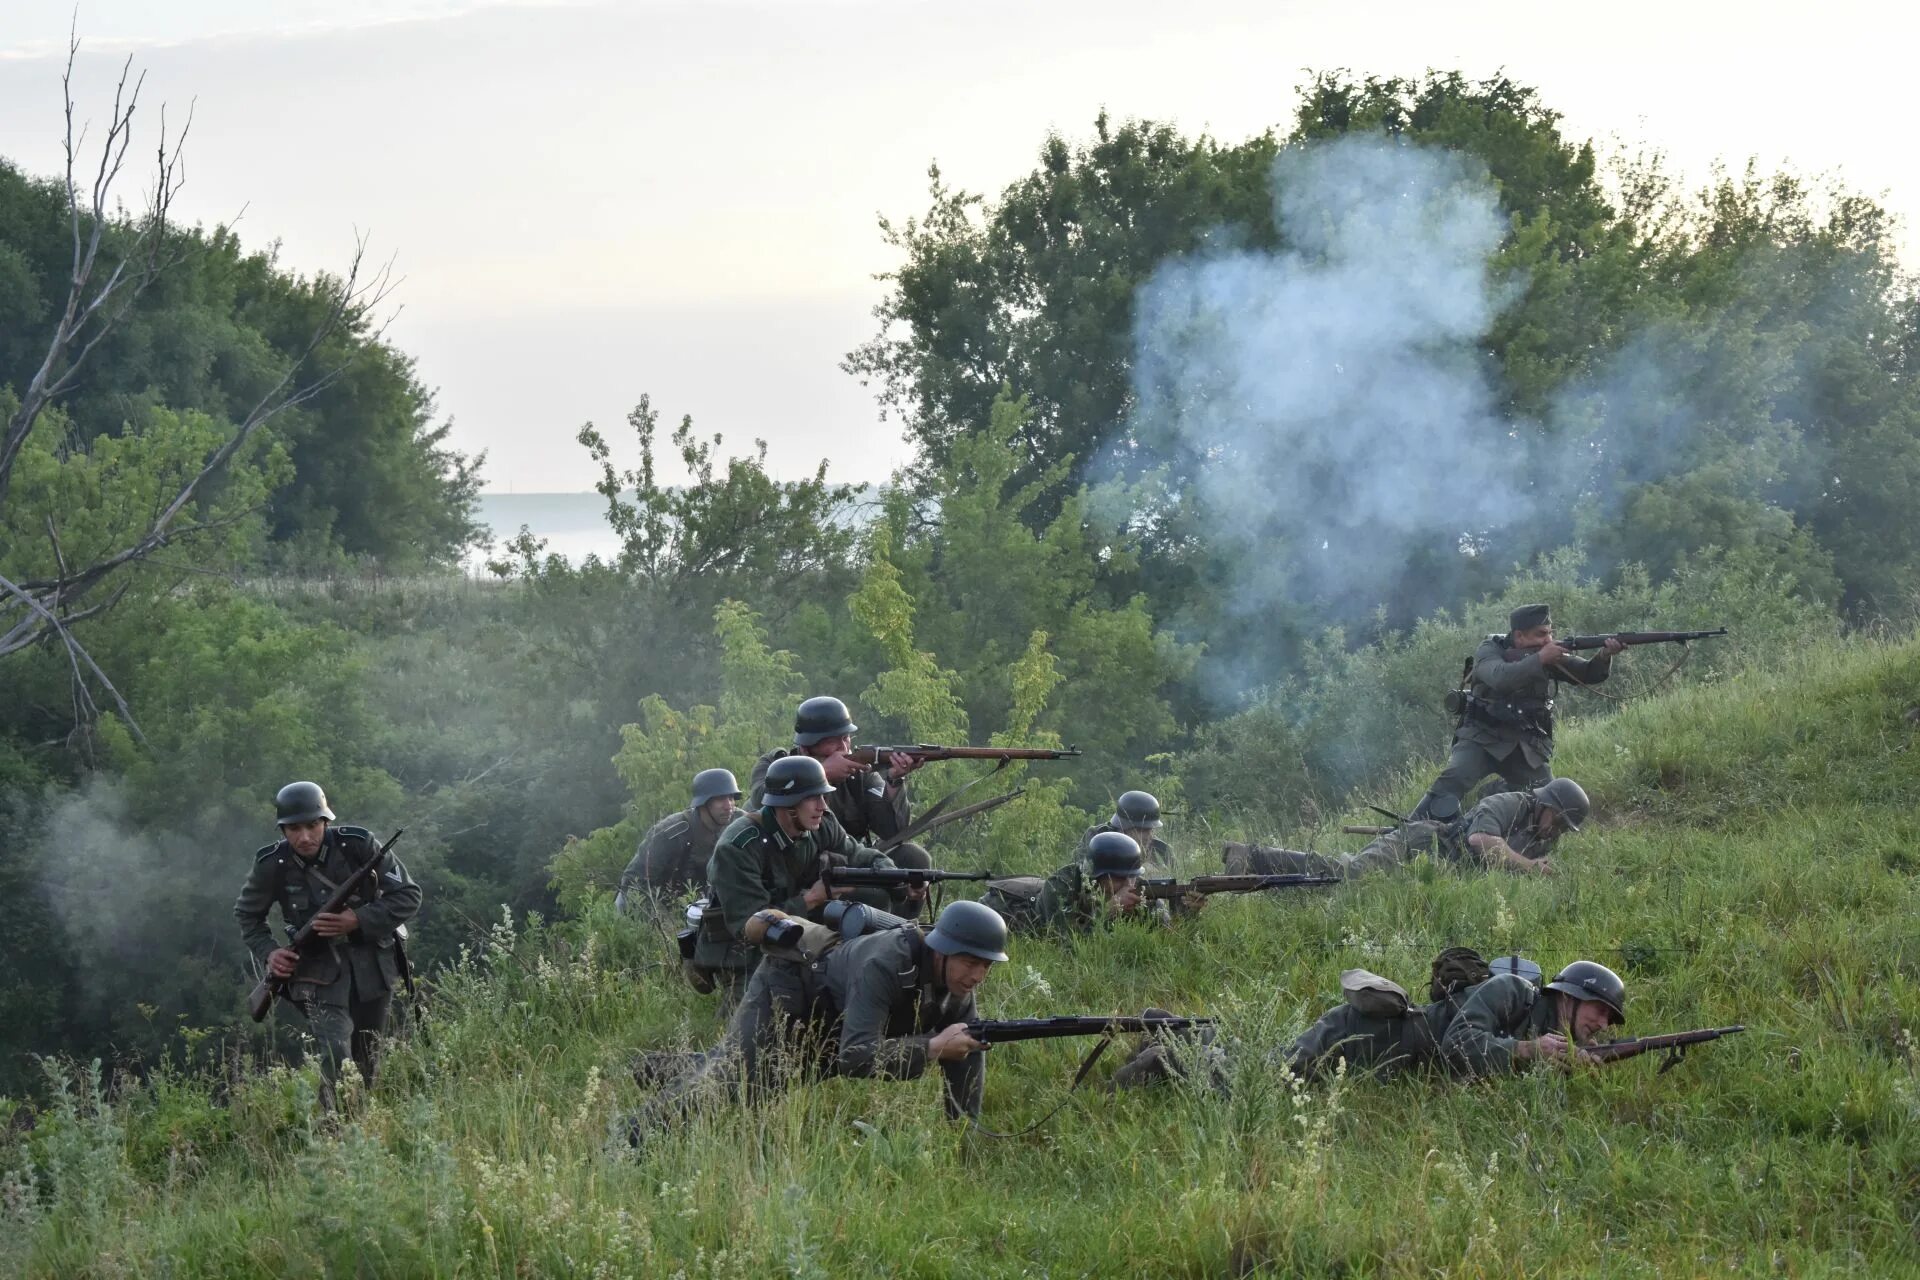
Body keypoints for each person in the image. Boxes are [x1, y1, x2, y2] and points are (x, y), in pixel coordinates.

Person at [624, 900, 1008, 1142]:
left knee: (770, 1079)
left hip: (835, 1014)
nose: (977, 975)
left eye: (986, 966)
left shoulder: (957, 986)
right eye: (970, 962)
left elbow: (967, 1051)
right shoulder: (885, 963)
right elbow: (856, 1057)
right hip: (790, 988)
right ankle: (627, 1139)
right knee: (735, 1082)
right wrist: (932, 1048)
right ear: (941, 950)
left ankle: (655, 1069)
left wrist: (964, 1134)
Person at [233, 781, 421, 1091]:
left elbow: (408, 896)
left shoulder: (358, 846)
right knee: (336, 1053)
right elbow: (247, 916)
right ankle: (330, 1129)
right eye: (294, 829)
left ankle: (356, 1128)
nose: (304, 836)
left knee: (367, 1058)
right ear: (282, 830)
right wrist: (270, 952)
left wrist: (357, 919)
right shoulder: (271, 864)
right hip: (315, 972)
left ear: (325, 821)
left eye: (311, 826)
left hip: (371, 966)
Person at [691, 755, 899, 997]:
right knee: (764, 1021)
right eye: (812, 798)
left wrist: (899, 877)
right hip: (746, 948)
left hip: (798, 923)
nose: (822, 805)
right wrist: (812, 898)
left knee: (871, 896)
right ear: (788, 805)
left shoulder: (821, 823)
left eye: (823, 796)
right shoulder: (739, 845)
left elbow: (858, 854)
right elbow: (750, 925)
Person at [1409, 604, 1623, 822]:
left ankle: (1497, 796)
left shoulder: (1545, 653)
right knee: (1452, 780)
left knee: (1548, 797)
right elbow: (1500, 678)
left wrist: (1605, 654)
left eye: (1550, 633)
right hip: (1482, 737)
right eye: (1541, 634)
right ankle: (1409, 829)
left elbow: (1588, 673)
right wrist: (1540, 659)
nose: (1548, 640)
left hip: (1524, 745)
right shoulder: (1490, 650)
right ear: (1519, 635)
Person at [1282, 958, 1628, 1081]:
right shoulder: (1512, 991)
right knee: (1267, 1074)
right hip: (1363, 1035)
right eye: (1599, 1010)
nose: (1603, 1023)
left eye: (1610, 1019)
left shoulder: (1554, 1035)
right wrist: (1526, 1049)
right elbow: (1457, 1044)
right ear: (1569, 996)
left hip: (1387, 1069)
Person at [1223, 779, 1590, 881]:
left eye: (1563, 827)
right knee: (1350, 873)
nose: (1557, 831)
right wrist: (1529, 869)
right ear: (1547, 806)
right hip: (1420, 842)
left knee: (1346, 887)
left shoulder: (1542, 836)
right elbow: (1482, 841)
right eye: (1559, 821)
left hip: (1436, 870)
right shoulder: (1510, 803)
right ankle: (1251, 855)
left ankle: (1263, 874)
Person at [748, 696, 923, 843]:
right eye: (833, 742)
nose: (844, 748)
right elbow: (760, 800)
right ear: (806, 747)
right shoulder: (774, 763)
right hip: (792, 859)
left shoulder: (860, 776)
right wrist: (821, 774)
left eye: (846, 738)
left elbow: (893, 833)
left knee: (912, 856)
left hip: (849, 862)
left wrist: (894, 779)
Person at [983, 831, 1169, 934]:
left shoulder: (1135, 885)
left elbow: (1168, 931)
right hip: (1003, 912)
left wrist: (1187, 910)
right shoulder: (1061, 886)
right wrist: (1107, 912)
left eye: (1133, 876)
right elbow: (1067, 943)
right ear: (1095, 877)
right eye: (1120, 879)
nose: (1130, 884)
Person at [615, 768, 742, 914]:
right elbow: (633, 882)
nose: (728, 806)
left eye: (731, 798)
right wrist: (660, 922)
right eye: (720, 799)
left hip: (712, 907)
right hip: (665, 908)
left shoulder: (740, 823)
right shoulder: (670, 833)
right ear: (703, 803)